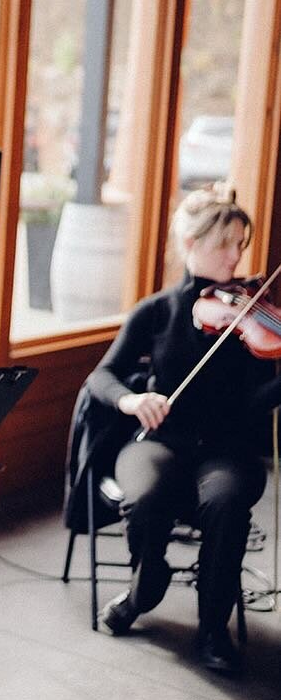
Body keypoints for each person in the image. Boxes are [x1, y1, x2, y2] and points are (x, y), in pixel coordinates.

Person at [91, 186, 281, 675]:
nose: (237, 256)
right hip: (159, 441)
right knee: (147, 491)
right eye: (225, 244)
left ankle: (213, 627)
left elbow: (254, 406)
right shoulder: (157, 310)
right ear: (192, 244)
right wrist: (132, 400)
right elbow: (102, 376)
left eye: (241, 244)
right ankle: (144, 587)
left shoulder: (250, 313)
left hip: (227, 448)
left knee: (226, 501)